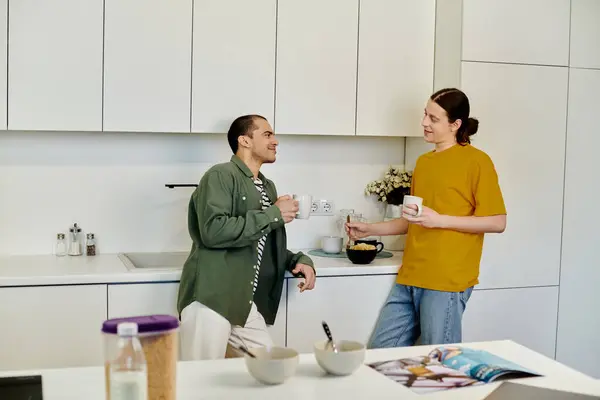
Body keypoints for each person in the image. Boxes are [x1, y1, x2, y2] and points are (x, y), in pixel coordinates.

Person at [346, 88, 506, 348]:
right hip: (410, 276)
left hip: (446, 279)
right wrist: (369, 229)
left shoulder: (477, 162)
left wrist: (440, 220)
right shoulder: (424, 162)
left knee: (439, 362)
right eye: (425, 115)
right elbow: (414, 221)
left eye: (433, 118)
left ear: (455, 125)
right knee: (380, 354)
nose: (424, 123)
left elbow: (497, 221)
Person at [177, 114, 316, 360]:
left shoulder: (266, 185)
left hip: (241, 302)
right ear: (245, 140)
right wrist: (273, 214)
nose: (275, 141)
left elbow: (261, 244)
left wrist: (297, 260)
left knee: (269, 367)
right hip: (211, 298)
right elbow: (213, 231)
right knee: (198, 381)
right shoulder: (220, 175)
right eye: (267, 134)